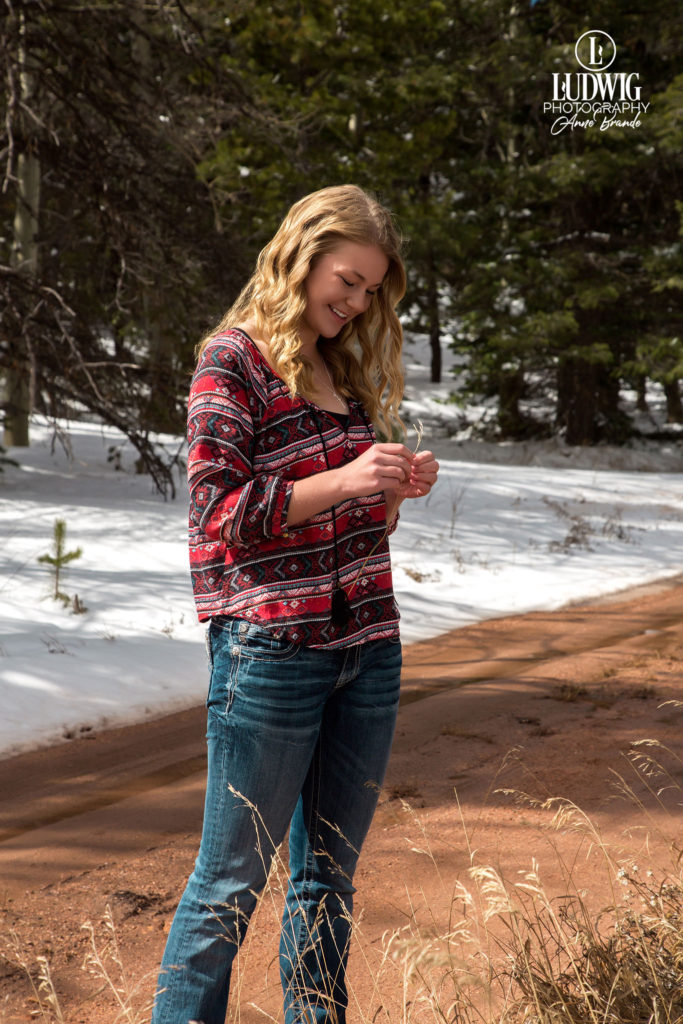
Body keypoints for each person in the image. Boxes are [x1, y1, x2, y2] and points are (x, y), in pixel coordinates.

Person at [151, 184, 439, 1024]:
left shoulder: (339, 368)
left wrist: (387, 492)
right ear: (301, 255)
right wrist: (344, 477)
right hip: (271, 654)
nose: (354, 304)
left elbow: (344, 523)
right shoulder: (230, 360)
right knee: (229, 885)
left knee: (328, 878)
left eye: (369, 292)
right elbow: (218, 515)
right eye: (346, 281)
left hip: (367, 649)